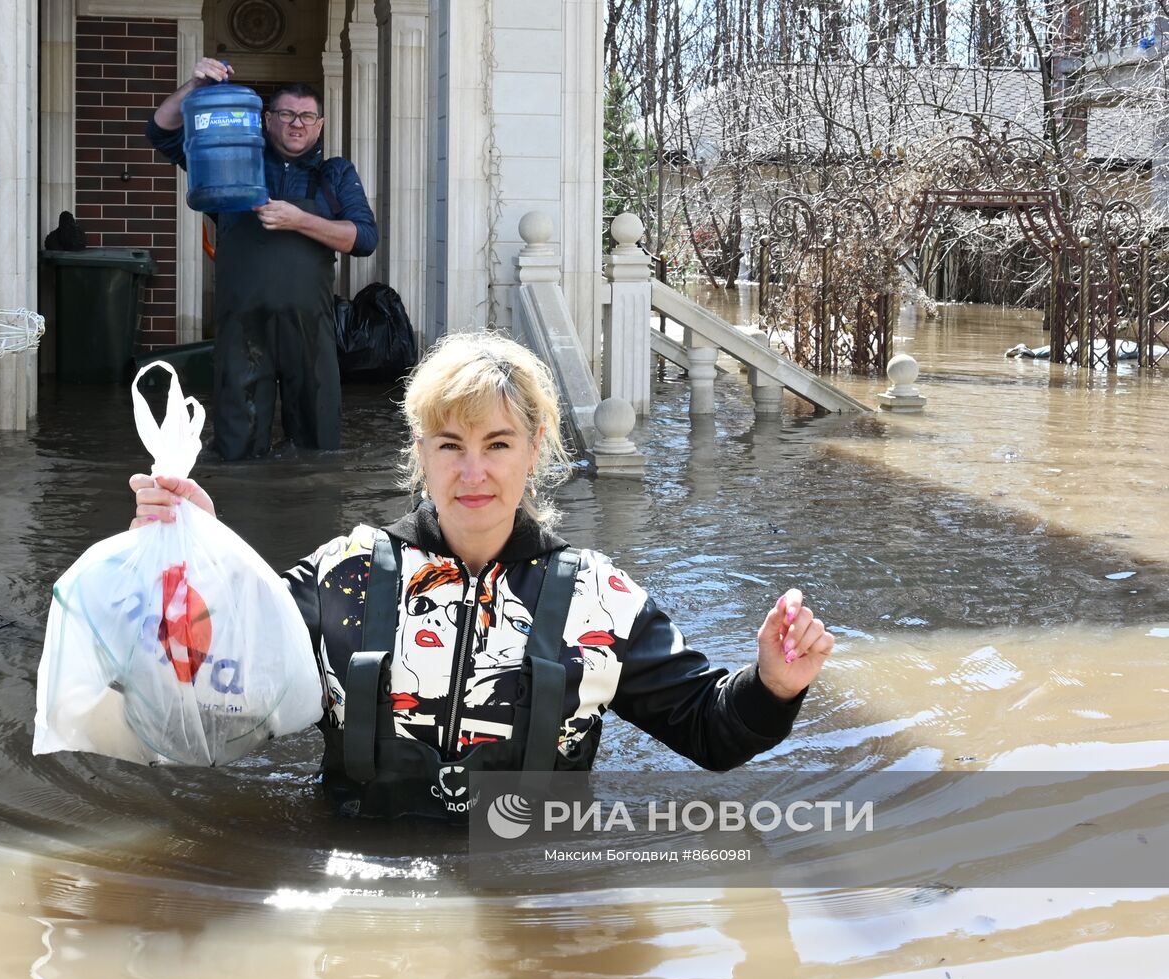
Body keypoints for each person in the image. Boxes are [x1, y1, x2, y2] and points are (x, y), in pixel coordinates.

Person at [130, 331, 833, 819]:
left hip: (532, 896)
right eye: (450, 445)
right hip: (363, 881)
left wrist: (773, 681)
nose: (473, 472)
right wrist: (187, 559)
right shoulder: (343, 574)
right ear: (422, 453)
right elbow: (213, 682)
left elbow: (712, 730)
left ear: (534, 450)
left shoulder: (599, 598)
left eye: (497, 444)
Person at [147, 59, 379, 460]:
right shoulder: (234, 163)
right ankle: (240, 508)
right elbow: (160, 132)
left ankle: (310, 514)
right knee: (236, 448)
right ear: (267, 119)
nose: (297, 124)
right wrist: (195, 86)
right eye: (287, 114)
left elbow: (364, 238)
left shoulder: (334, 174)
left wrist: (300, 220)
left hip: (310, 329)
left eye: (307, 116)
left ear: (319, 125)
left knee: (318, 447)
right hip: (243, 327)